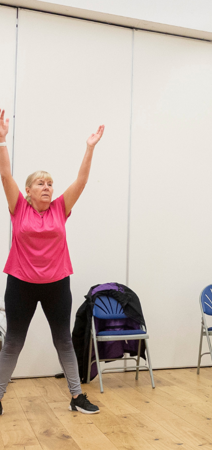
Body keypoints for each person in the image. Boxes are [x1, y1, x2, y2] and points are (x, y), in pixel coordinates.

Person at [0, 108, 102, 415]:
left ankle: (76, 397)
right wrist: (2, 140)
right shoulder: (19, 207)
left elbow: (81, 182)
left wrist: (89, 148)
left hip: (57, 284)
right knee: (13, 344)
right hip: (21, 284)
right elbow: (5, 174)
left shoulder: (60, 208)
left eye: (50, 183)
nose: (47, 187)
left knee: (64, 342)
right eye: (41, 183)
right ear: (28, 191)